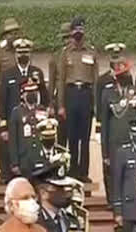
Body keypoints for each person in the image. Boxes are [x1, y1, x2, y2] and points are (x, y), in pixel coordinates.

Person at [56, 17, 97, 183]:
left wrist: (95, 104)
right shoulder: (65, 53)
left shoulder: (91, 52)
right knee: (72, 136)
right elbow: (60, 80)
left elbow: (95, 79)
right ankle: (72, 171)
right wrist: (61, 105)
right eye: (76, 30)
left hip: (86, 94)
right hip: (71, 94)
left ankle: (83, 172)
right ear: (72, 32)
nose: (79, 32)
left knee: (85, 137)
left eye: (81, 29)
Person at [100, 60, 136, 205]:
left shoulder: (134, 91)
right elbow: (104, 122)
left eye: (127, 73)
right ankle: (112, 201)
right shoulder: (107, 92)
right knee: (112, 171)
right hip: (114, 139)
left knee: (132, 170)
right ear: (117, 77)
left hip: (131, 138)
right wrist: (104, 150)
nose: (126, 76)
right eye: (123, 74)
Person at [0, 18, 20, 184]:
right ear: (5, 35)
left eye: (16, 32)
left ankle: (16, 169)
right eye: (11, 33)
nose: (14, 36)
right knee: (3, 139)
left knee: (18, 138)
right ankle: (4, 172)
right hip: (2, 104)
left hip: (17, 103)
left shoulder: (20, 52)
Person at [0, 38, 48, 143]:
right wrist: (3, 128)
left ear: (30, 54)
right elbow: (3, 102)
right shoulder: (7, 75)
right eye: (20, 53)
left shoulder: (37, 73)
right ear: (16, 55)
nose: (23, 56)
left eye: (26, 53)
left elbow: (44, 98)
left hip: (34, 122)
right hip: (14, 122)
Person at [8, 78, 49, 177]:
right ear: (23, 94)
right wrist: (15, 163)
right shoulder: (16, 112)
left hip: (40, 158)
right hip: (24, 161)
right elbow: (13, 140)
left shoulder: (42, 110)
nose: (32, 94)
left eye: (34, 92)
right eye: (29, 92)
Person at [49, 22, 72, 147]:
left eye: (69, 37)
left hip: (74, 97)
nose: (67, 40)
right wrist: (50, 103)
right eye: (65, 38)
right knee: (61, 135)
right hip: (60, 99)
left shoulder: (77, 54)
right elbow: (52, 81)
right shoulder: (56, 56)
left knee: (74, 135)